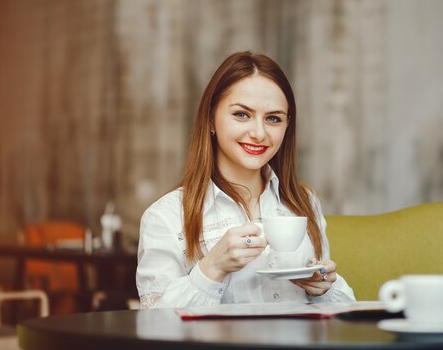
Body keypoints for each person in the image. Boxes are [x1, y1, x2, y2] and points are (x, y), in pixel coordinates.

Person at [136, 51, 355, 309]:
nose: (259, 133)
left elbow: (342, 317)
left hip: (296, 349)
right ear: (211, 119)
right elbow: (155, 327)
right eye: (242, 114)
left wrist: (324, 290)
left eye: (273, 118)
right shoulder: (165, 216)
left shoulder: (304, 202)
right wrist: (212, 268)